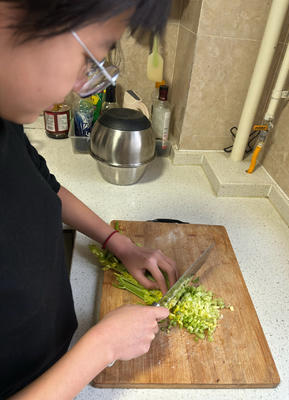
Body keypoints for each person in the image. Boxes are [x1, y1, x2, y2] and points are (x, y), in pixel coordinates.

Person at [0, 1, 178, 398]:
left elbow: (45, 186)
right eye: (87, 58)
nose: (78, 86)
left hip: (55, 363)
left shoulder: (6, 124)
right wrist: (102, 349)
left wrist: (118, 242)